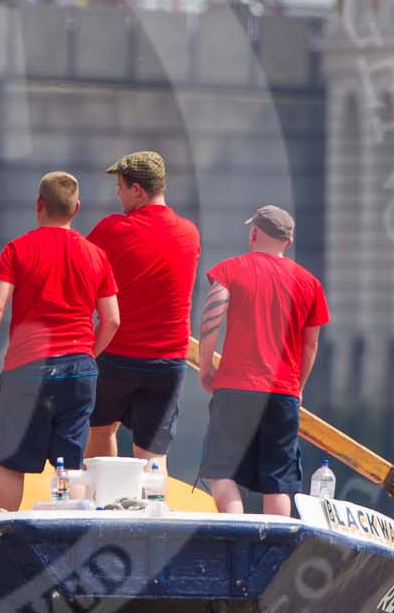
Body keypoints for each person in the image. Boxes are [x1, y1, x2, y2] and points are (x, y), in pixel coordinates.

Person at [0, 173, 120, 513]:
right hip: (79, 370)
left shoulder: (18, 249)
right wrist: (86, 355)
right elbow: (112, 319)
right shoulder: (96, 255)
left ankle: (4, 533)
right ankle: (73, 533)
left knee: (11, 463)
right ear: (76, 208)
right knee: (71, 463)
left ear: (39, 204)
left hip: (27, 370)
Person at [195, 205, 327, 517]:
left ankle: (235, 536)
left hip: (235, 388)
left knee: (222, 471)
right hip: (282, 393)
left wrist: (205, 366)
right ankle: (272, 555)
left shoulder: (231, 269)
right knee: (278, 482)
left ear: (254, 233)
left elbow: (211, 317)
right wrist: (297, 387)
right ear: (288, 243)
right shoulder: (309, 284)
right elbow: (310, 345)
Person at [84, 151, 199, 474]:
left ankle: (99, 508)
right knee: (152, 451)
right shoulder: (189, 233)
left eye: (120, 186)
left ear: (138, 190)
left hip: (118, 353)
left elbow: (80, 269)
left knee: (102, 429)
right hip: (169, 360)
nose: (116, 194)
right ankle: (152, 516)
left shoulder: (113, 230)